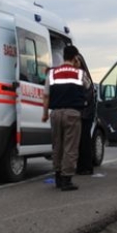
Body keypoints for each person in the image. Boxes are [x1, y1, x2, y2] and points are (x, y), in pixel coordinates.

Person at [42, 45, 88, 191]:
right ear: (75, 58)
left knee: (57, 146)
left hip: (55, 113)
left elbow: (46, 96)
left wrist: (44, 114)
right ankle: (66, 180)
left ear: (63, 56)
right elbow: (87, 87)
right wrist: (78, 67)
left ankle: (57, 178)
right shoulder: (79, 73)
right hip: (72, 114)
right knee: (70, 147)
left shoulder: (52, 73)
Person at [76, 56, 96, 176]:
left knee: (84, 141)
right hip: (84, 113)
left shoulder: (82, 75)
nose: (75, 63)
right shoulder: (82, 75)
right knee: (82, 141)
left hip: (84, 114)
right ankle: (83, 166)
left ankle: (86, 166)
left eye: (77, 61)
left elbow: (87, 96)